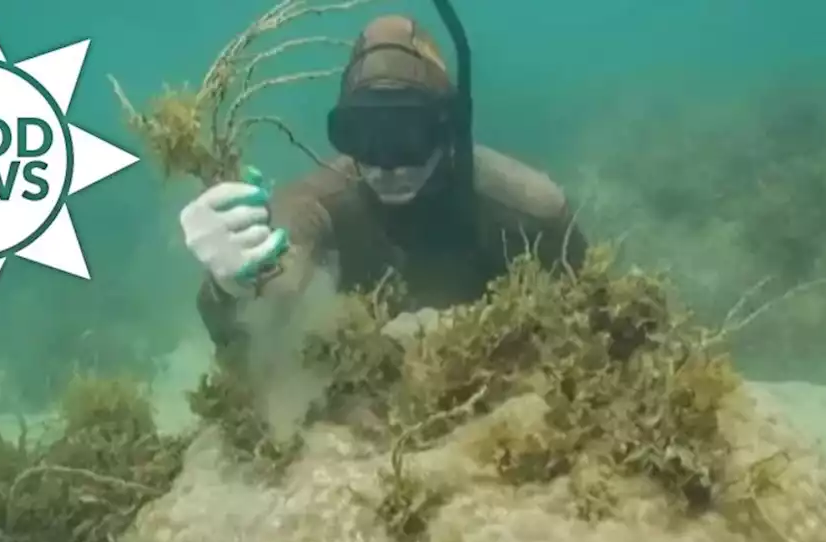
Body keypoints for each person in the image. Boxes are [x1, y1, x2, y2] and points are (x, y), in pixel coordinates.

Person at [181, 14, 588, 366]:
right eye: (365, 137)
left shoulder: (528, 211)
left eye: (407, 135)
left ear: (447, 129)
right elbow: (266, 306)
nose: (387, 165)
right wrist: (231, 285)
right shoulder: (318, 203)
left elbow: (589, 328)